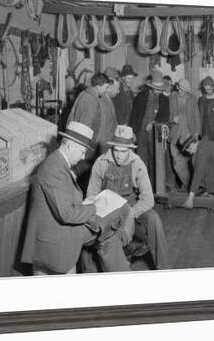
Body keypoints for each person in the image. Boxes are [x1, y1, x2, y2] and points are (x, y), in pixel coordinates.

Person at [21, 122, 130, 275]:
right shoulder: (54, 169)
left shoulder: (58, 163)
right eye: (82, 151)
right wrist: (95, 207)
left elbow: (64, 200)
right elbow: (66, 214)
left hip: (59, 228)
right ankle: (121, 275)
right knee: (109, 226)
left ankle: (112, 273)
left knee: (107, 231)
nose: (83, 157)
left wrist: (86, 203)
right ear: (71, 146)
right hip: (55, 236)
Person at [84, 125, 171, 270]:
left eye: (123, 152)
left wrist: (130, 213)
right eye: (116, 150)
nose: (118, 155)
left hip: (130, 207)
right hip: (107, 210)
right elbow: (91, 196)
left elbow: (148, 199)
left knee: (154, 219)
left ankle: (165, 268)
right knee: (93, 236)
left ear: (130, 149)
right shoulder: (101, 163)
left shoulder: (137, 164)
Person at [66, 72, 117, 185]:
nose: (106, 91)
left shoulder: (83, 94)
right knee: (86, 176)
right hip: (87, 146)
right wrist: (89, 147)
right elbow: (86, 126)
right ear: (98, 86)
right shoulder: (93, 101)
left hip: (76, 142)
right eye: (105, 87)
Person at [129, 70, 171, 179]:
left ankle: (153, 186)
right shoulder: (141, 96)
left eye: (160, 89)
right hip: (141, 133)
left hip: (155, 135)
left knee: (155, 160)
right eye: (156, 89)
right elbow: (134, 115)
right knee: (141, 159)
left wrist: (154, 122)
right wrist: (132, 132)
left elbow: (165, 116)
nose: (158, 91)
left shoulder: (165, 99)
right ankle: (141, 185)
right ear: (151, 86)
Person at [168, 78, 202, 191]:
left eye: (186, 91)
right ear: (177, 87)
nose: (184, 93)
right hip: (175, 134)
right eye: (182, 90)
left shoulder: (192, 98)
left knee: (191, 161)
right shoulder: (171, 97)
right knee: (176, 162)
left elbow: (197, 116)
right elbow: (165, 115)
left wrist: (197, 132)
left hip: (189, 134)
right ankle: (188, 185)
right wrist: (172, 119)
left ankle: (190, 186)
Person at [180, 135, 214, 209]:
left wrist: (190, 199)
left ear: (194, 143)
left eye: (189, 149)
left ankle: (213, 190)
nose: (189, 152)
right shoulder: (204, 144)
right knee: (194, 159)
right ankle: (212, 189)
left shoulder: (202, 150)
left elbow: (198, 173)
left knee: (195, 162)